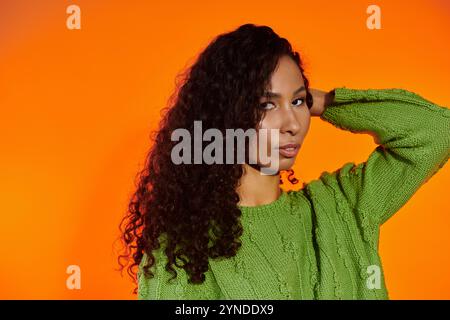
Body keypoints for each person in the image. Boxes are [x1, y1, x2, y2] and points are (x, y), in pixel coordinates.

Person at [118, 23, 450, 299]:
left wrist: (325, 101)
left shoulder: (343, 205)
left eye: (298, 101)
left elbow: (437, 131)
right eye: (267, 104)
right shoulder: (184, 251)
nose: (292, 124)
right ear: (224, 117)